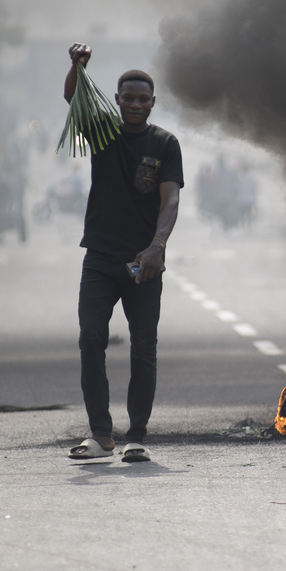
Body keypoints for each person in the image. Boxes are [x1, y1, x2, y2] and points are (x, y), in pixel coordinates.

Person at [63, 43, 183, 463]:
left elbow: (169, 202)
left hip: (143, 263)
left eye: (142, 99)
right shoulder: (103, 132)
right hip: (99, 257)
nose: (134, 104)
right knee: (91, 338)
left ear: (153, 103)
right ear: (116, 101)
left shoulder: (166, 144)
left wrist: (156, 247)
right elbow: (71, 99)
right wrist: (77, 66)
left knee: (143, 347)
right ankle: (100, 434)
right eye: (127, 98)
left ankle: (136, 435)